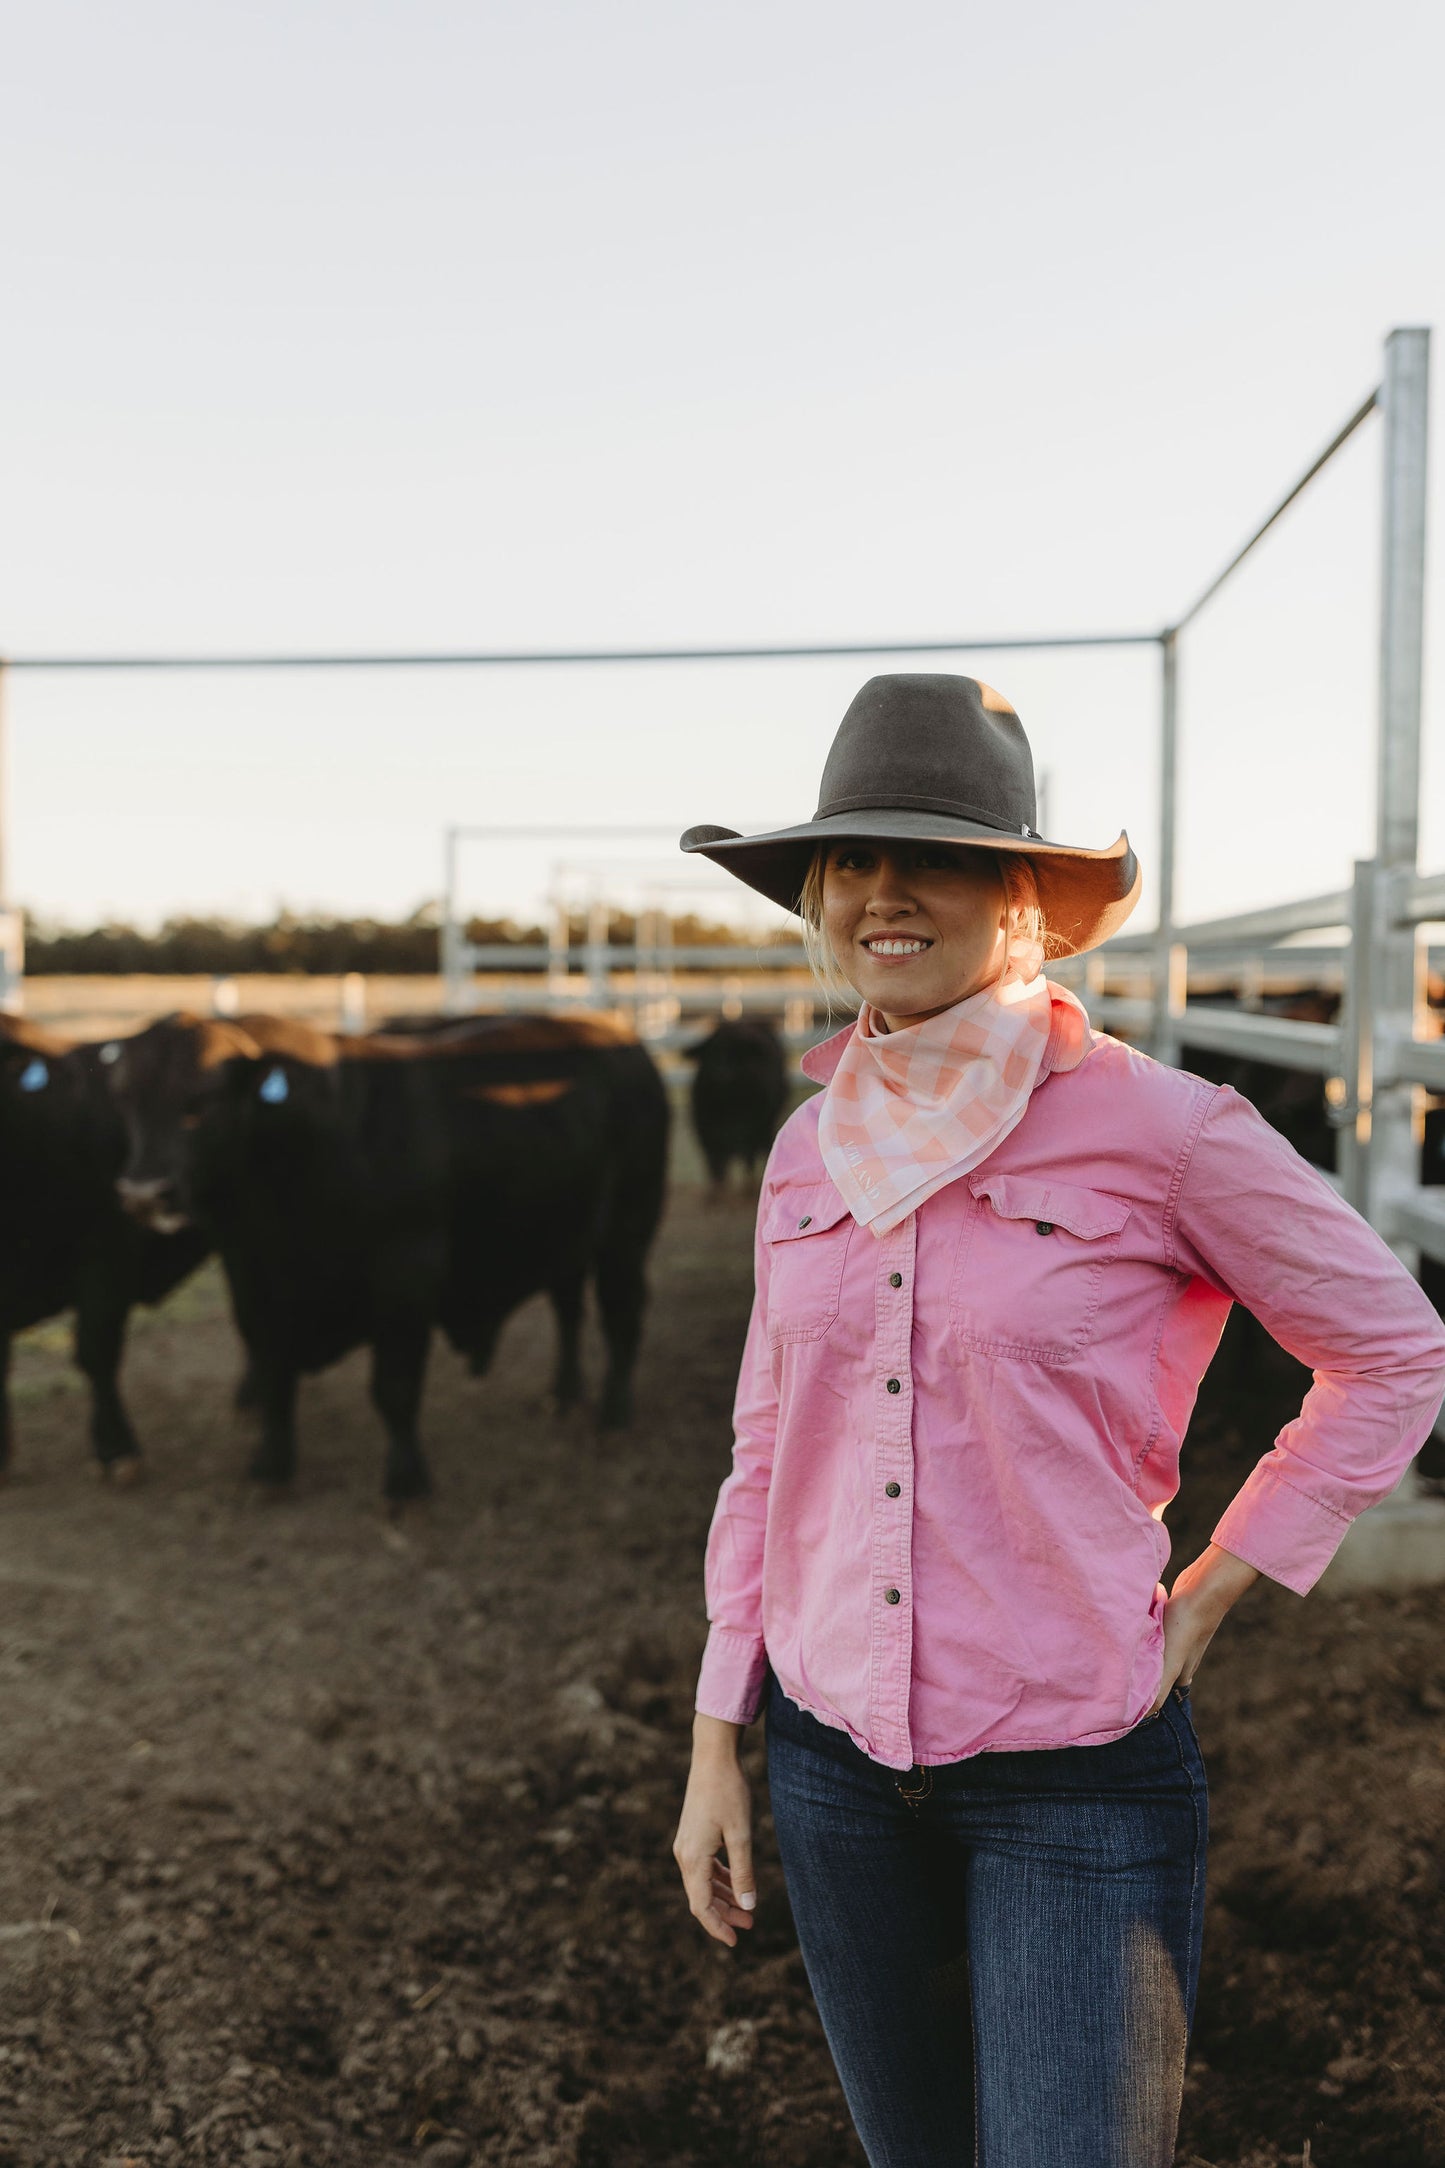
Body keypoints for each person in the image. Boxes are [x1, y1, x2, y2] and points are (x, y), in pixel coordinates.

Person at [669, 674, 1445, 2168]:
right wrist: (719, 1741)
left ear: (1020, 894)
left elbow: (1394, 1351)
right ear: (818, 899)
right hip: (830, 1765)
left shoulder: (1165, 1131)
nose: (883, 892)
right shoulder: (801, 1153)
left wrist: (1214, 1589)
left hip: (1072, 1780)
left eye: (935, 854)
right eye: (849, 861)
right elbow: (767, 1450)